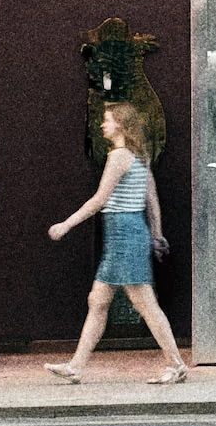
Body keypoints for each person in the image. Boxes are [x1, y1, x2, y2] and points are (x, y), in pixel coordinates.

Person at [44, 101, 186, 384]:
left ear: (120, 124)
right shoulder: (139, 155)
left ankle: (177, 363)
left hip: (124, 234)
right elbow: (152, 201)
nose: (102, 124)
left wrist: (66, 224)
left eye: (107, 120)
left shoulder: (119, 156)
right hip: (129, 232)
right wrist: (157, 235)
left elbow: (99, 199)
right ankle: (76, 366)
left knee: (144, 302)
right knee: (97, 300)